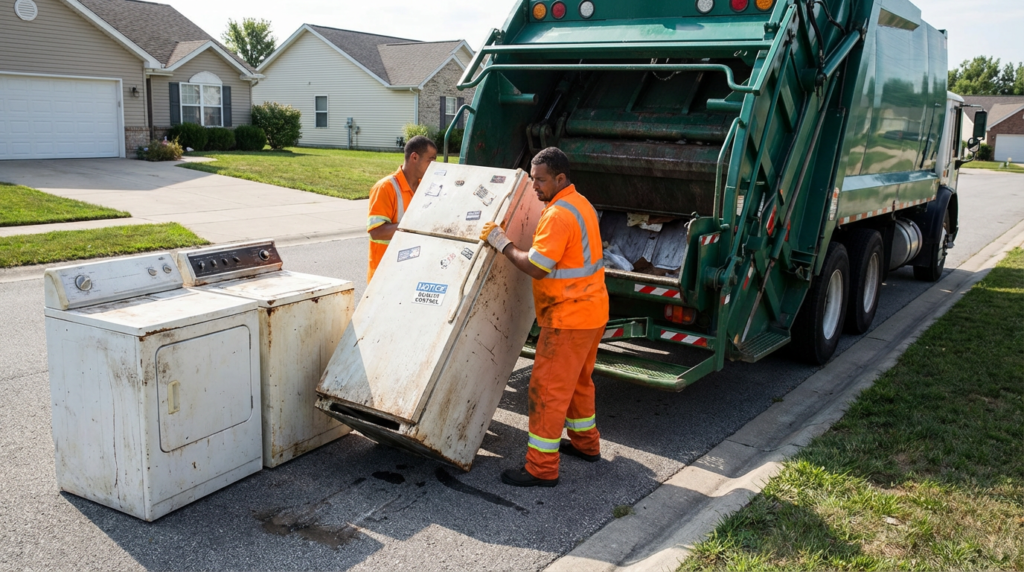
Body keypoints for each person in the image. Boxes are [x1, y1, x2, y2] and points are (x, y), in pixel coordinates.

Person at [479, 147, 610, 487]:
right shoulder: (579, 204)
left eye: (541, 180)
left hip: (568, 318)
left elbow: (537, 267)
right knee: (580, 381)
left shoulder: (557, 216)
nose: (534, 185)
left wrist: (501, 243)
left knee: (547, 392)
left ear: (560, 178)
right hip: (592, 312)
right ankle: (586, 444)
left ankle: (541, 468)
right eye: (532, 178)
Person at [366, 135, 438, 281]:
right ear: (414, 157)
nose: (434, 165)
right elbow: (376, 232)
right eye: (430, 159)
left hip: (411, 272)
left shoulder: (426, 187)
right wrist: (414, 225)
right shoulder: (385, 187)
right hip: (385, 275)